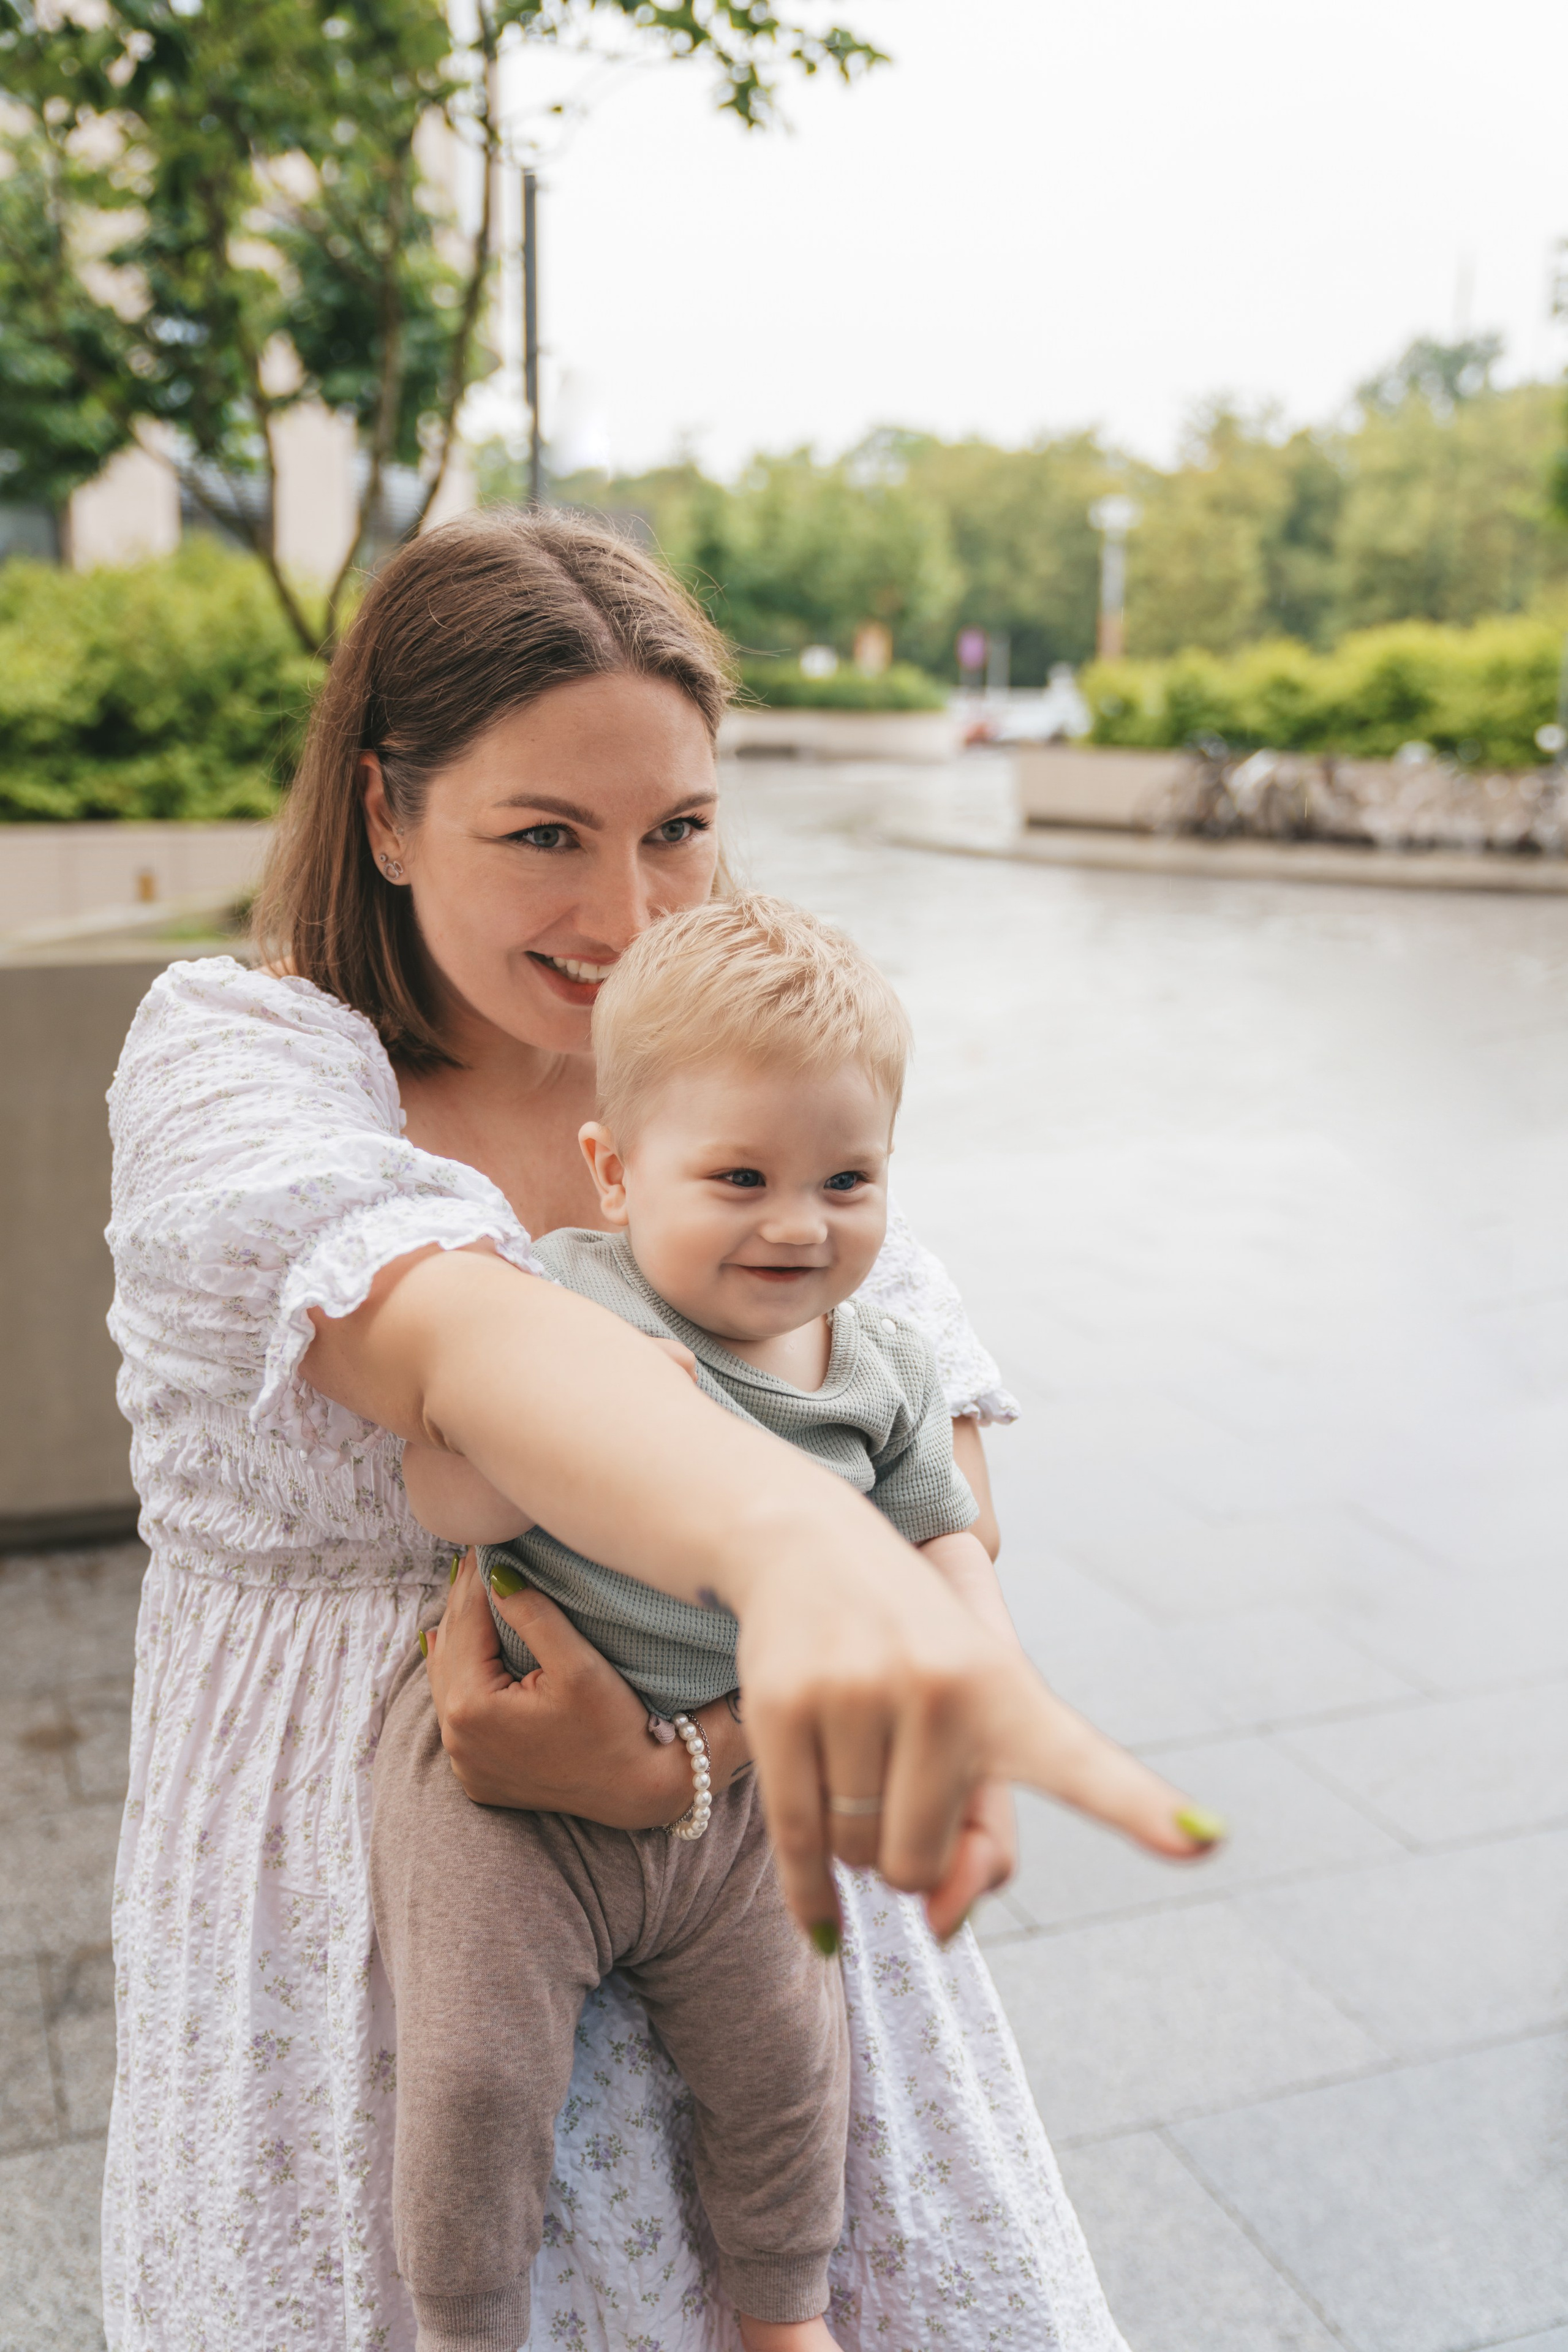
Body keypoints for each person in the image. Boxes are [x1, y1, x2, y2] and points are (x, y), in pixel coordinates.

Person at [102, 509, 1215, 2352]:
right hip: (341, 1926)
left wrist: (686, 1764)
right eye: (545, 835)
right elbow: (459, 1350)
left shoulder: (727, 1077)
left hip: (744, 1866)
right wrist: (775, 1540)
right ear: (385, 813)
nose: (629, 917)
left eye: (677, 830)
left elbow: (918, 1424)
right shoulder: (245, 1059)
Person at [379, 892, 1055, 2352]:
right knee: (478, 2069)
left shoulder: (876, 1366)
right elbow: (445, 1495)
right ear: (615, 1174)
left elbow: (942, 1536)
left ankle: (782, 2307)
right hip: (507, 1792)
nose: (798, 1226)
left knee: (787, 2064)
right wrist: (541, 1442)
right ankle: (462, 2320)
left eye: (847, 1180)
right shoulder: (564, 1305)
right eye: (739, 1178)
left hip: (729, 1796)